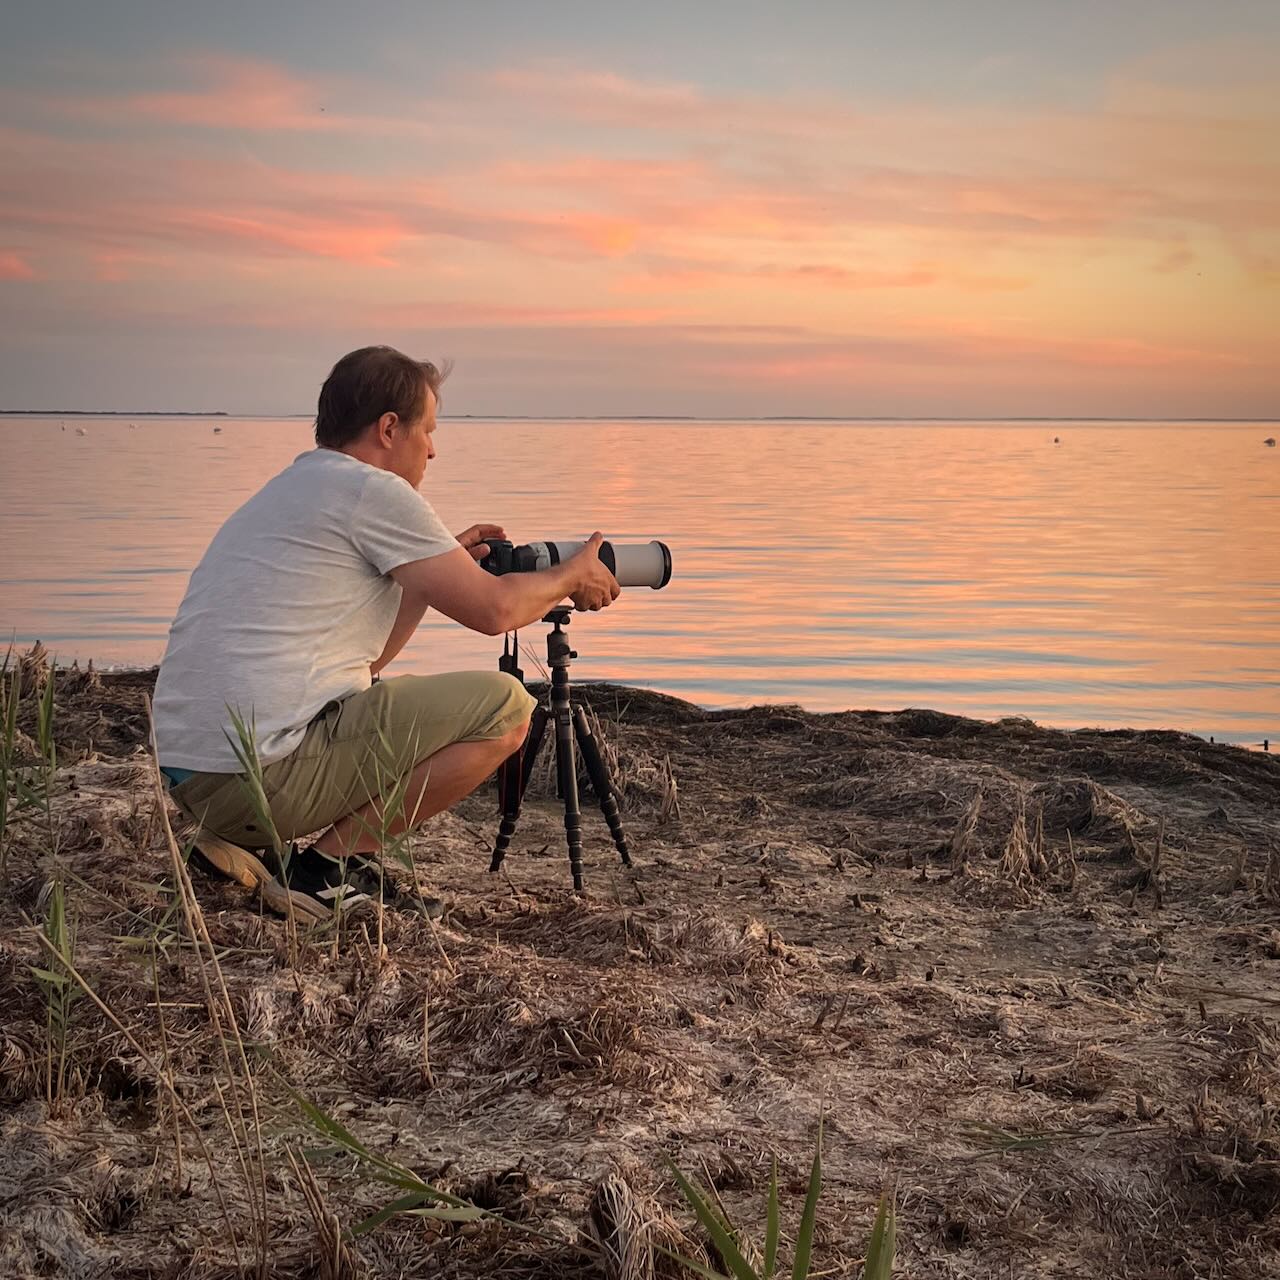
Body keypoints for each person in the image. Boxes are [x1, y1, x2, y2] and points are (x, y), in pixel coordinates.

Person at [152, 346, 619, 917]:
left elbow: (362, 666)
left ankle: (251, 841)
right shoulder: (374, 491)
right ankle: (324, 870)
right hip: (256, 779)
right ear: (390, 428)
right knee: (507, 708)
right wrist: (572, 573)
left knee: (372, 695)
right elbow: (495, 613)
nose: (433, 449)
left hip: (196, 781)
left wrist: (431, 572)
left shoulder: (290, 490)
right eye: (429, 430)